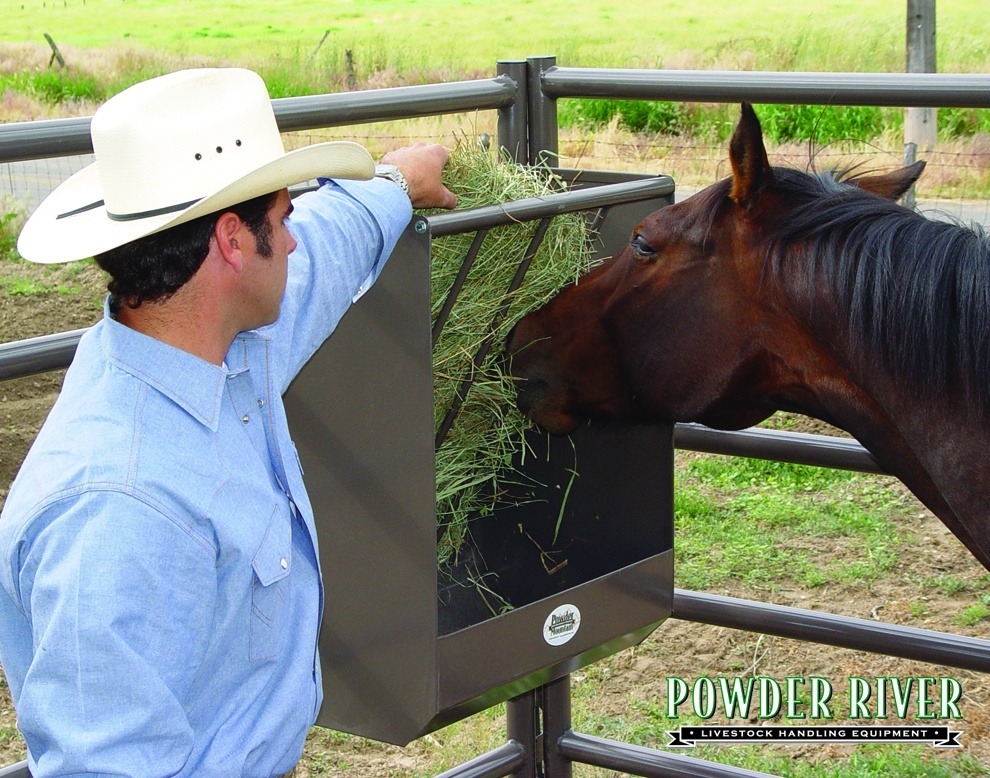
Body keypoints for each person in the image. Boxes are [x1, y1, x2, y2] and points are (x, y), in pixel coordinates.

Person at [0, 67, 457, 777]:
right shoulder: (118, 509)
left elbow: (326, 255)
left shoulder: (222, 350)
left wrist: (395, 185)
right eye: (281, 219)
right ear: (232, 244)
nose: (296, 241)